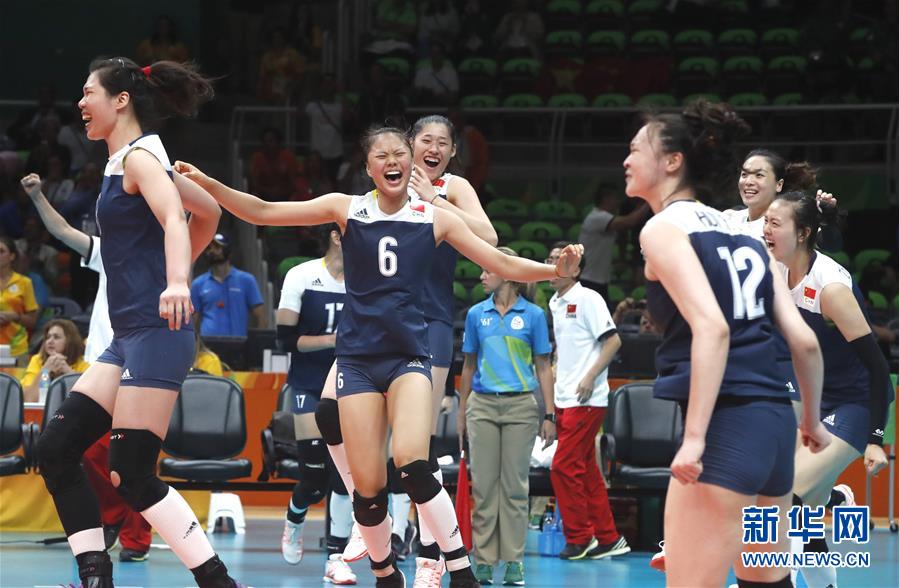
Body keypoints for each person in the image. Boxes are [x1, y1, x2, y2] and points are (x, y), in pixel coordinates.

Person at [175, 125, 582, 588]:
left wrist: (554, 270)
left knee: (413, 462)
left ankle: (458, 569)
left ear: (410, 163)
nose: (393, 161)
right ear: (368, 168)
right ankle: (385, 572)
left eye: (399, 153)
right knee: (368, 492)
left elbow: (501, 262)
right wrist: (209, 184)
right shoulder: (346, 208)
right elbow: (264, 211)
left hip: (409, 357)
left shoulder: (435, 216)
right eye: (382, 155)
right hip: (357, 362)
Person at [32, 56, 247, 587]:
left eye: (89, 92)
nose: (81, 103)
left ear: (120, 100)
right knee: (56, 450)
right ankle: (94, 574)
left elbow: (176, 216)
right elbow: (209, 213)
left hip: (157, 334)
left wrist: (176, 281)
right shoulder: (124, 162)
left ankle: (218, 581)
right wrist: (173, 266)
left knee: (130, 472)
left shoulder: (141, 157)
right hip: (128, 337)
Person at [623, 100, 830, 587]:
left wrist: (695, 439)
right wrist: (811, 419)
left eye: (636, 149)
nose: (626, 160)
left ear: (672, 161)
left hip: (726, 426)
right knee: (766, 580)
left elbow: (712, 328)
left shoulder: (663, 228)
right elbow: (804, 341)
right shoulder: (745, 235)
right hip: (775, 427)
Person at [20, 156, 220, 565]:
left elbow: (204, 213)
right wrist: (38, 196)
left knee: (131, 469)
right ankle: (99, 559)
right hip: (111, 355)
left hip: (151, 352)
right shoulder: (108, 250)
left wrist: (178, 278)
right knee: (69, 450)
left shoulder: (173, 244)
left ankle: (148, 544)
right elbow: (63, 231)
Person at [763, 192, 893, 588]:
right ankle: (831, 510)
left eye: (774, 224)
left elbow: (878, 368)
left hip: (855, 402)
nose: (765, 230)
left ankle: (767, 581)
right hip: (812, 395)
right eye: (765, 221)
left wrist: (875, 439)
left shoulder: (830, 288)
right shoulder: (775, 268)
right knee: (796, 500)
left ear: (802, 233)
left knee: (787, 498)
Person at [456, 246, 555, 586]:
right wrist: (462, 412)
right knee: (485, 488)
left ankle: (514, 561)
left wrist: (549, 414)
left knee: (514, 488)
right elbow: (468, 366)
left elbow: (543, 366)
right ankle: (484, 561)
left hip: (521, 407)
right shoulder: (476, 314)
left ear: (508, 274)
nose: (481, 275)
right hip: (482, 406)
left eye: (488, 269)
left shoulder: (534, 316)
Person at [276, 223, 357, 585]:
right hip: (308, 383)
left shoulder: (364, 280)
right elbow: (285, 340)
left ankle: (335, 557)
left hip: (350, 384)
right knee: (312, 480)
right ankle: (294, 521)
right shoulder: (302, 276)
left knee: (344, 476)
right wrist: (332, 340)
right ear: (336, 237)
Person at [545, 242, 630, 562]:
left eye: (562, 260)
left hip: (587, 398)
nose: (554, 265)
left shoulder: (589, 298)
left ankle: (580, 538)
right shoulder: (555, 302)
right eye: (550, 260)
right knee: (587, 471)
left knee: (563, 468)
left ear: (577, 269)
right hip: (565, 396)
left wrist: (590, 377)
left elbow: (614, 341)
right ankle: (608, 537)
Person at [578, 183, 651, 303]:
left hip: (600, 280)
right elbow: (629, 222)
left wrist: (622, 258)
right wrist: (648, 201)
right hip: (588, 279)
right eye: (615, 198)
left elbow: (622, 234)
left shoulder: (605, 218)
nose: (618, 202)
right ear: (606, 199)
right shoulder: (597, 217)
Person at [191, 233, 265, 337]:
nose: (212, 251)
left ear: (227, 250)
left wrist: (259, 342)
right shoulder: (198, 284)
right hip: (208, 344)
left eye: (217, 247)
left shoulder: (247, 280)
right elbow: (192, 321)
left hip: (239, 342)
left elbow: (261, 316)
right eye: (209, 248)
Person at [22, 319, 90, 402]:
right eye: (48, 337)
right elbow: (29, 399)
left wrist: (68, 373)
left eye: (56, 337)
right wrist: (45, 370)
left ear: (70, 341)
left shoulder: (84, 366)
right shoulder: (37, 361)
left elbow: (86, 401)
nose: (50, 341)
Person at [0, 235, 40, 363]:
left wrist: (15, 316)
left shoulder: (24, 283)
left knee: (20, 376)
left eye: (1, 251)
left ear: (12, 256)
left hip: (18, 348)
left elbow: (33, 322)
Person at [248, 127, 300, 202]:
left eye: (271, 141)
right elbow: (254, 184)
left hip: (285, 196)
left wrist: (281, 191)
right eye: (265, 142)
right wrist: (268, 191)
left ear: (278, 142)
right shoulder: (258, 158)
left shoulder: (288, 157)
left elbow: (294, 183)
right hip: (263, 197)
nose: (267, 144)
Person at [413, 42, 459, 106]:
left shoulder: (451, 73)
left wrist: (434, 95)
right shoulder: (421, 72)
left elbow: (454, 96)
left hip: (444, 107)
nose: (434, 56)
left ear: (443, 55)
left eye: (437, 54)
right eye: (432, 53)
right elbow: (417, 94)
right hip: (425, 107)